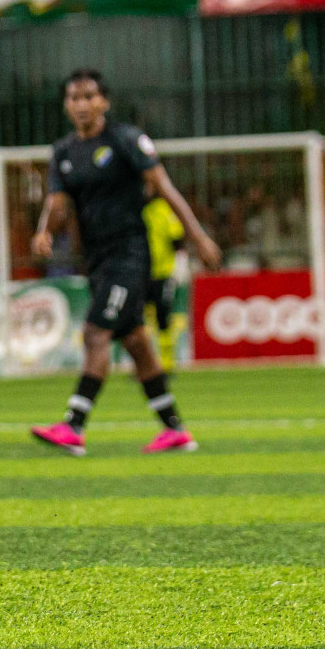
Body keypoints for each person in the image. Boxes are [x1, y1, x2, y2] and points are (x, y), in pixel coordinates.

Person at [28, 69, 221, 456]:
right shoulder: (64, 152)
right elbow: (58, 202)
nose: (81, 104)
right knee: (134, 341)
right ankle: (174, 430)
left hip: (129, 256)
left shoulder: (126, 140)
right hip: (96, 261)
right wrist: (44, 231)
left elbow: (165, 188)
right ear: (66, 105)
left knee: (96, 333)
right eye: (73, 98)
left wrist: (198, 237)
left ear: (104, 102)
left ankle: (74, 425)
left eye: (88, 96)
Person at [141, 181, 187, 373]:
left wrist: (179, 267)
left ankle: (167, 365)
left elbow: (177, 239)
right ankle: (145, 366)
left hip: (162, 273)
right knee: (139, 322)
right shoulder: (135, 211)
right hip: (140, 274)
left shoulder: (163, 209)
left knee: (162, 317)